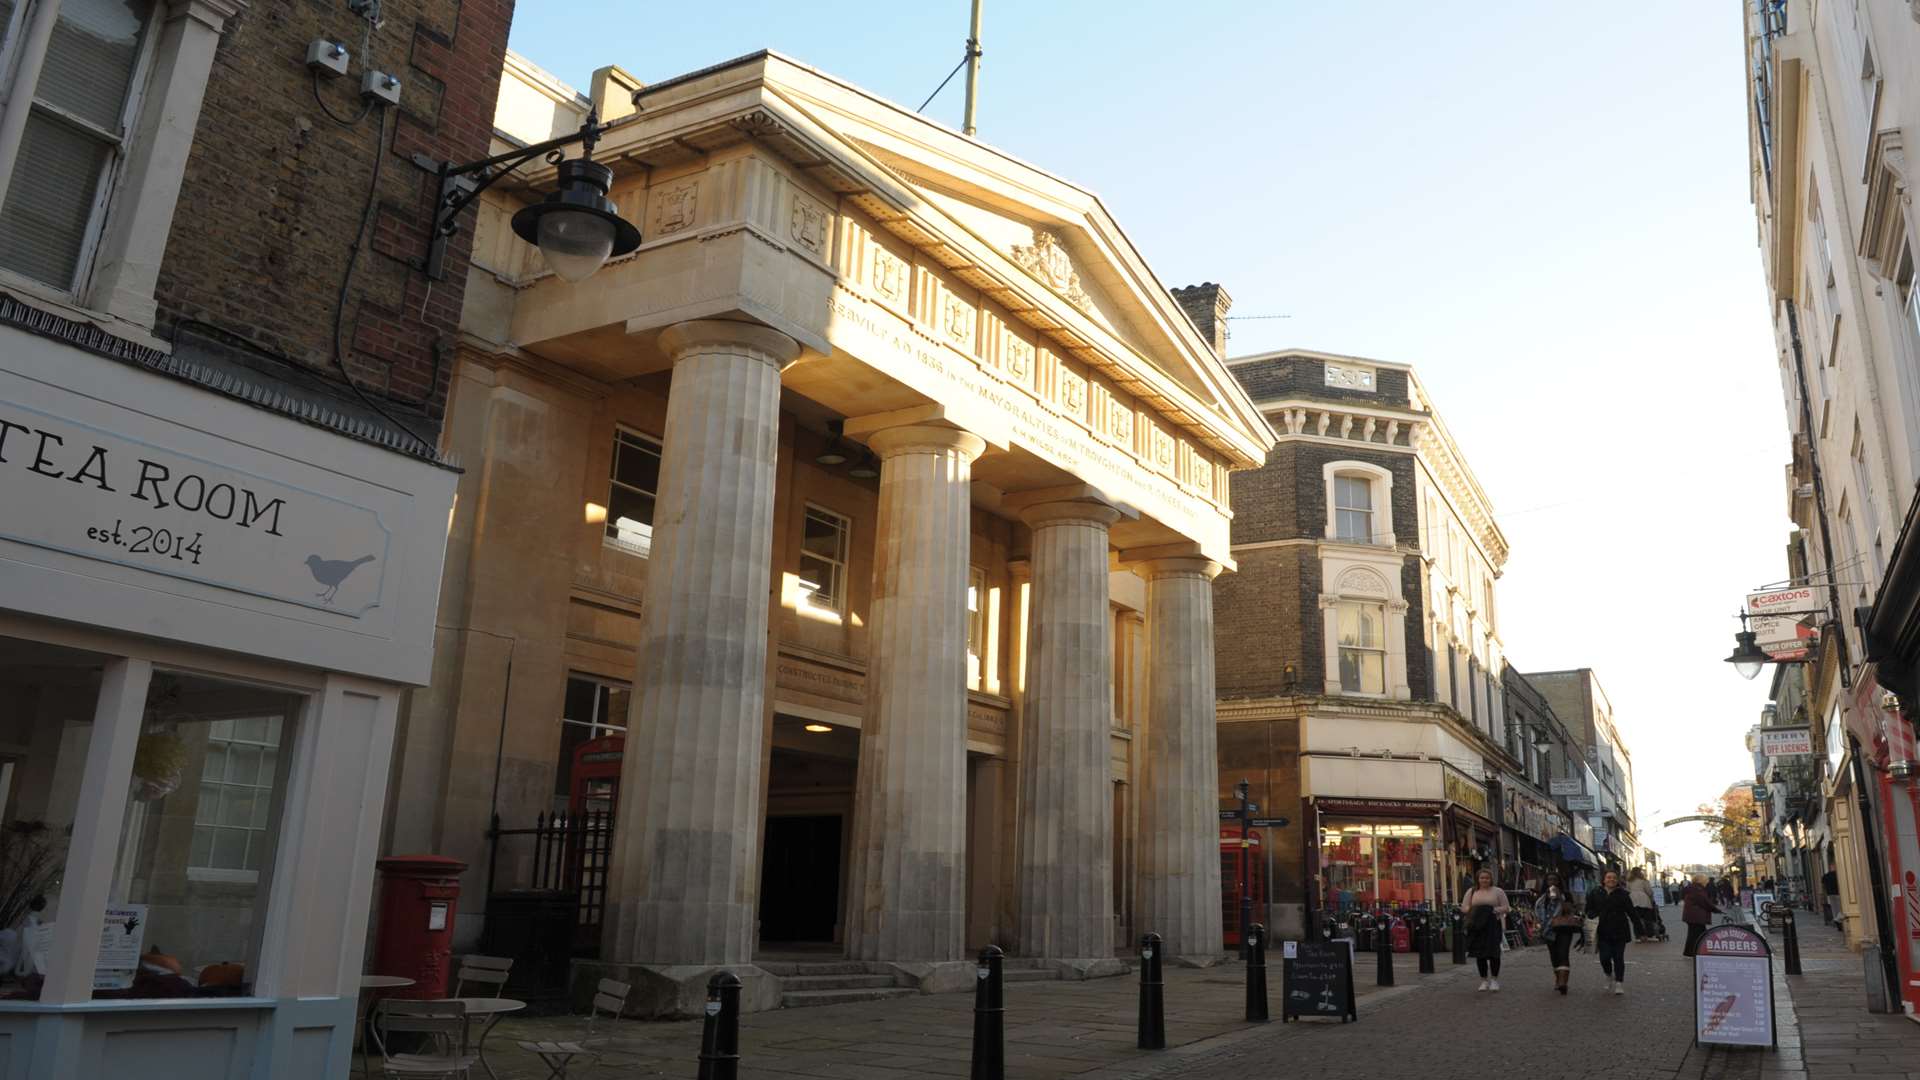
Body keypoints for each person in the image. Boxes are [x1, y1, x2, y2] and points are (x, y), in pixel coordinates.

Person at [1460, 867, 1510, 992]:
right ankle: (1483, 980)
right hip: (1477, 926)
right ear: (1478, 879)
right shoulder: (1472, 891)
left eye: (1487, 878)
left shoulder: (1498, 891)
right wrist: (1474, 911)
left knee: (1494, 953)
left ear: (1491, 879)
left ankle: (1494, 980)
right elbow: (1464, 907)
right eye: (1482, 878)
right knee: (1479, 954)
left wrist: (1493, 910)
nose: (1484, 880)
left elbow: (1506, 907)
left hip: (1493, 925)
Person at [1586, 869, 1635, 994]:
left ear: (1617, 880)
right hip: (1602, 931)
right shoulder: (1595, 893)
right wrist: (1593, 915)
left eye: (1614, 877)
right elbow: (1589, 909)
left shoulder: (1623, 894)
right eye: (1608, 877)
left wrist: (1640, 930)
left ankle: (1619, 983)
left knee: (1618, 958)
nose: (1611, 880)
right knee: (1604, 957)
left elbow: (1631, 912)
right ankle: (1608, 974)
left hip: (1620, 930)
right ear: (1604, 880)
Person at [1535, 874, 1583, 994]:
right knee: (1554, 955)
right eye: (1549, 879)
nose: (1552, 882)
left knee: (1563, 953)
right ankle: (1558, 978)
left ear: (1559, 882)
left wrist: (1560, 898)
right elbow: (1537, 912)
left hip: (1564, 928)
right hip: (1548, 929)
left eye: (1555, 880)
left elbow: (1570, 910)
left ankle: (1563, 983)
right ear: (1546, 882)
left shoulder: (1566, 894)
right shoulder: (1542, 897)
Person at [1682, 874, 1720, 957]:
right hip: (1696, 916)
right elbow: (1704, 901)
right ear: (1701, 881)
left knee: (1693, 933)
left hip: (1692, 915)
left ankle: (1690, 952)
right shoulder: (1698, 889)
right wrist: (1716, 910)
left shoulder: (1692, 888)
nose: (1707, 882)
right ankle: (1696, 951)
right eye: (1705, 880)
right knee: (1699, 934)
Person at [1627, 867, 1657, 941]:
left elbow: (1628, 890)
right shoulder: (1644, 880)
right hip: (1644, 900)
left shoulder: (1629, 881)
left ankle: (1638, 936)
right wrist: (1651, 898)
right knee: (1647, 919)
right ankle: (1650, 935)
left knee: (1636, 919)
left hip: (1633, 901)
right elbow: (1649, 891)